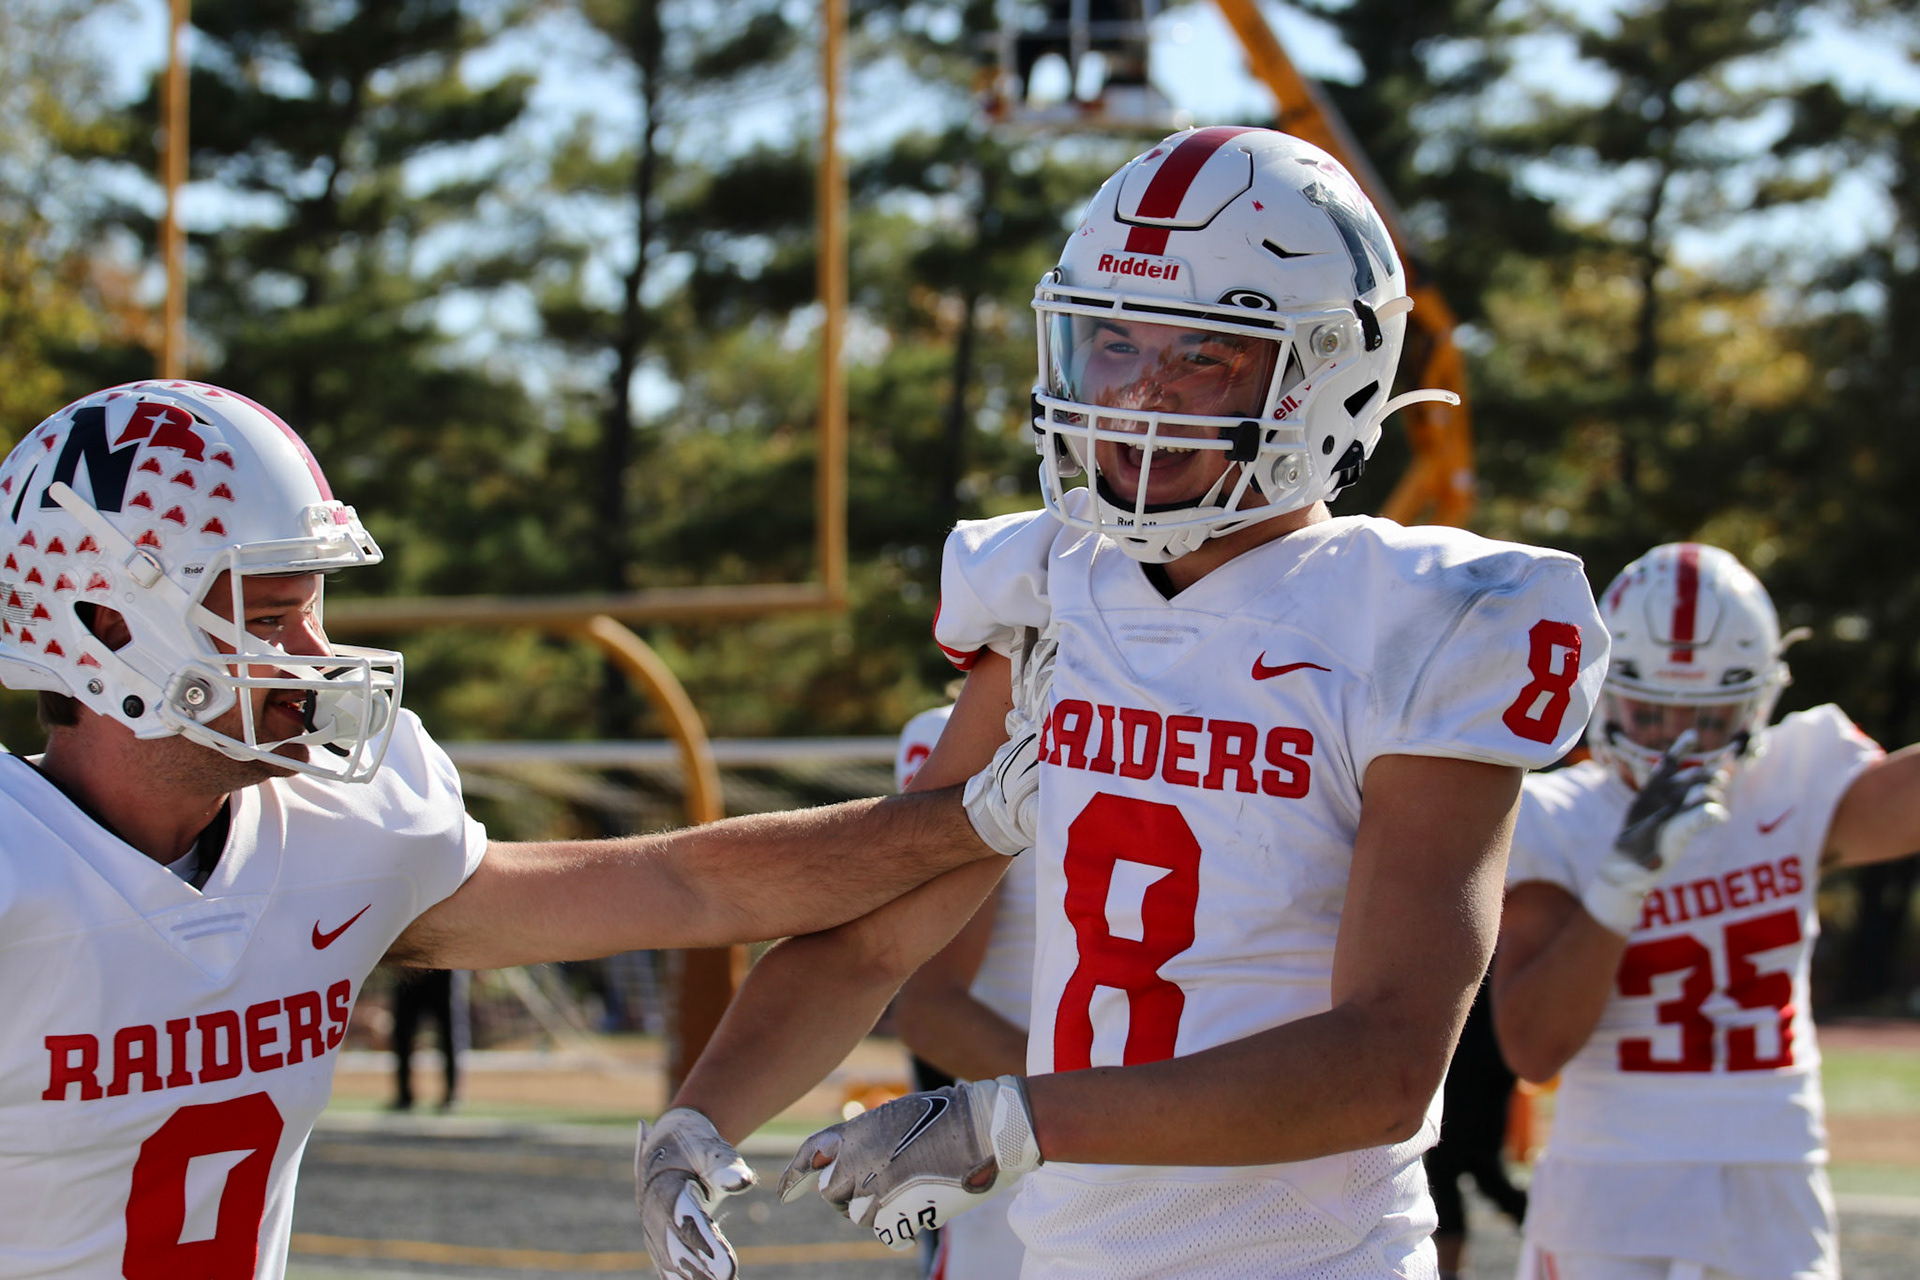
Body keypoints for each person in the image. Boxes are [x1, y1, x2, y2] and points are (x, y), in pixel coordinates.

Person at [634, 125, 1610, 1279]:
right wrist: (701, 1116)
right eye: (1113, 341)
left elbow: (1386, 1060)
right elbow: (879, 932)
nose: (1140, 393)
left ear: (1329, 373)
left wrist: (1014, 1117)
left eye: (1205, 355)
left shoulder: (1417, 621)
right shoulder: (1049, 590)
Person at [0, 379, 1014, 1279]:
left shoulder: (334, 832)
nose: (315, 655)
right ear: (107, 629)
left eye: (312, 609)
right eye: (268, 621)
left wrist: (978, 814)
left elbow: (688, 884)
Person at [1492, 542, 1920, 1280]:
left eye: (1711, 717)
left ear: (1759, 701)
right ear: (1606, 690)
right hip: (1613, 1188)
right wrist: (1622, 881)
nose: (1678, 739)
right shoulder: (1557, 817)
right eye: (1651, 712)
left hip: (1775, 1176)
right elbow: (1533, 1048)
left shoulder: (1789, 779)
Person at [891, 701, 1035, 1280]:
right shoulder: (973, 732)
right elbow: (930, 1011)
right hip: (1029, 1177)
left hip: (1183, 1159)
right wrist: (1115, 1114)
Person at [1422, 974, 1527, 1280]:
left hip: (1476, 1054)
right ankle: (1546, 1231)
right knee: (1473, 1167)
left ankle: (1450, 1269)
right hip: (1483, 1051)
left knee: (1457, 1166)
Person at [388, 966, 464, 1112]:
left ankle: (450, 1095)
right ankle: (404, 1096)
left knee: (449, 1034)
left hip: (442, 971)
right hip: (410, 971)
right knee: (402, 1034)